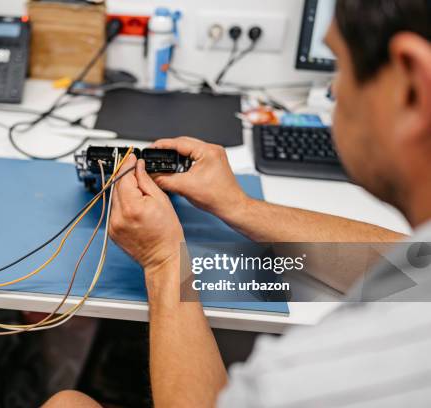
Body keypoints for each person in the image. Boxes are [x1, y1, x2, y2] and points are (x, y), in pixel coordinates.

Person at [43, 0, 431, 406]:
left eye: (340, 66)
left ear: (412, 86)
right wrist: (239, 206)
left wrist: (163, 262)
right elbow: (406, 264)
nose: (334, 90)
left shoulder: (309, 377)